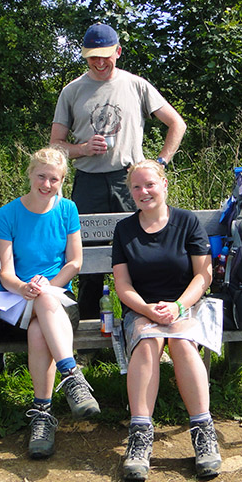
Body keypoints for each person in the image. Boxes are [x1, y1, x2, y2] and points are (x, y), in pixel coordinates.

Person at [50, 22, 188, 320]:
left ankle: (145, 325)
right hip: (88, 183)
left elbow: (177, 124)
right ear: (84, 56)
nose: (99, 63)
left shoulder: (135, 85)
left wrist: (159, 163)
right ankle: (86, 335)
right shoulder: (71, 91)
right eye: (92, 57)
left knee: (142, 255)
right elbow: (56, 145)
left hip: (131, 181)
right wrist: (83, 148)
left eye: (105, 56)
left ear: (118, 52)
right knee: (85, 260)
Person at [111, 160, 222, 481]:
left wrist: (176, 307)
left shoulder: (186, 223)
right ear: (130, 192)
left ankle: (203, 433)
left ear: (164, 184)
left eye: (150, 185)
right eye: (136, 187)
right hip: (141, 309)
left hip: (186, 306)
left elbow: (204, 275)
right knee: (148, 344)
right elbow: (123, 286)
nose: (144, 192)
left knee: (182, 343)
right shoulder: (125, 230)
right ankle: (140, 437)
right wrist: (147, 310)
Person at [0, 147, 100, 460]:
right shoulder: (7, 215)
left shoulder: (67, 210)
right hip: (17, 301)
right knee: (39, 315)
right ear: (30, 174)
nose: (47, 184)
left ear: (62, 180)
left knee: (41, 329)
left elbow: (75, 263)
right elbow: (6, 272)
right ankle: (71, 376)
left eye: (54, 179)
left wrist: (47, 288)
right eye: (41, 176)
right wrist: (24, 287)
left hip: (58, 299)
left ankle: (42, 415)